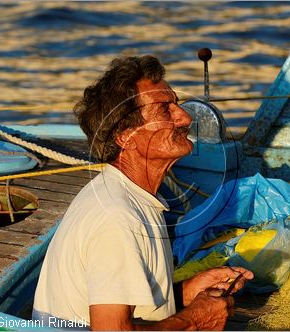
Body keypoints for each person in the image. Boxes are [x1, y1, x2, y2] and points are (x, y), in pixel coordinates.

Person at [33, 55, 253, 330]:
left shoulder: (126, 194)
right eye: (164, 109)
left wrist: (188, 291)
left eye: (177, 104)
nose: (185, 117)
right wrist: (195, 319)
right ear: (125, 135)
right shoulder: (119, 219)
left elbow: (129, 302)